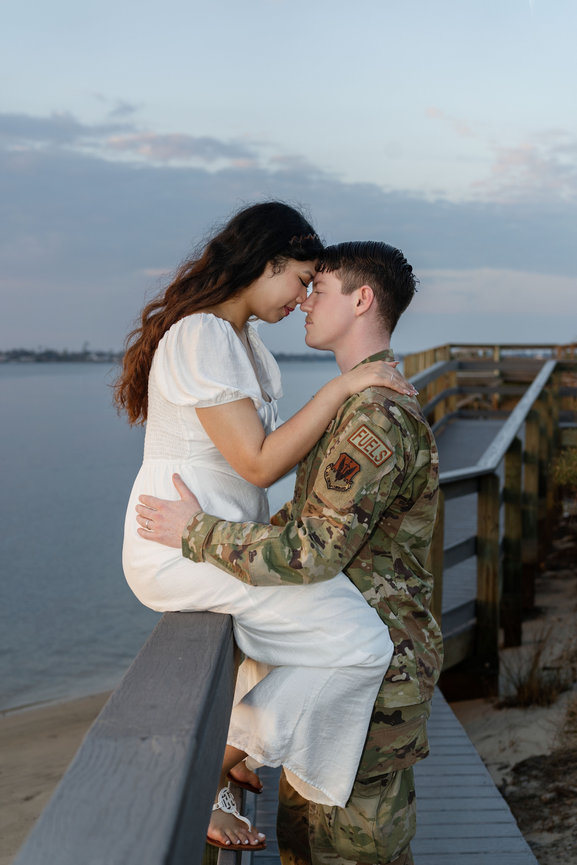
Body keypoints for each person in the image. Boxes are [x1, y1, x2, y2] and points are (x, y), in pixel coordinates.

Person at [115, 203, 417, 851]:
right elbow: (255, 462)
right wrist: (340, 390)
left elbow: (256, 474)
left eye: (315, 285)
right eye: (301, 278)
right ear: (267, 262)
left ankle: (222, 779)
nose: (303, 296)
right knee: (362, 643)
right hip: (181, 542)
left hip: (218, 542)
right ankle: (217, 762)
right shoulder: (201, 335)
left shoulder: (238, 340)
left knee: (278, 650)